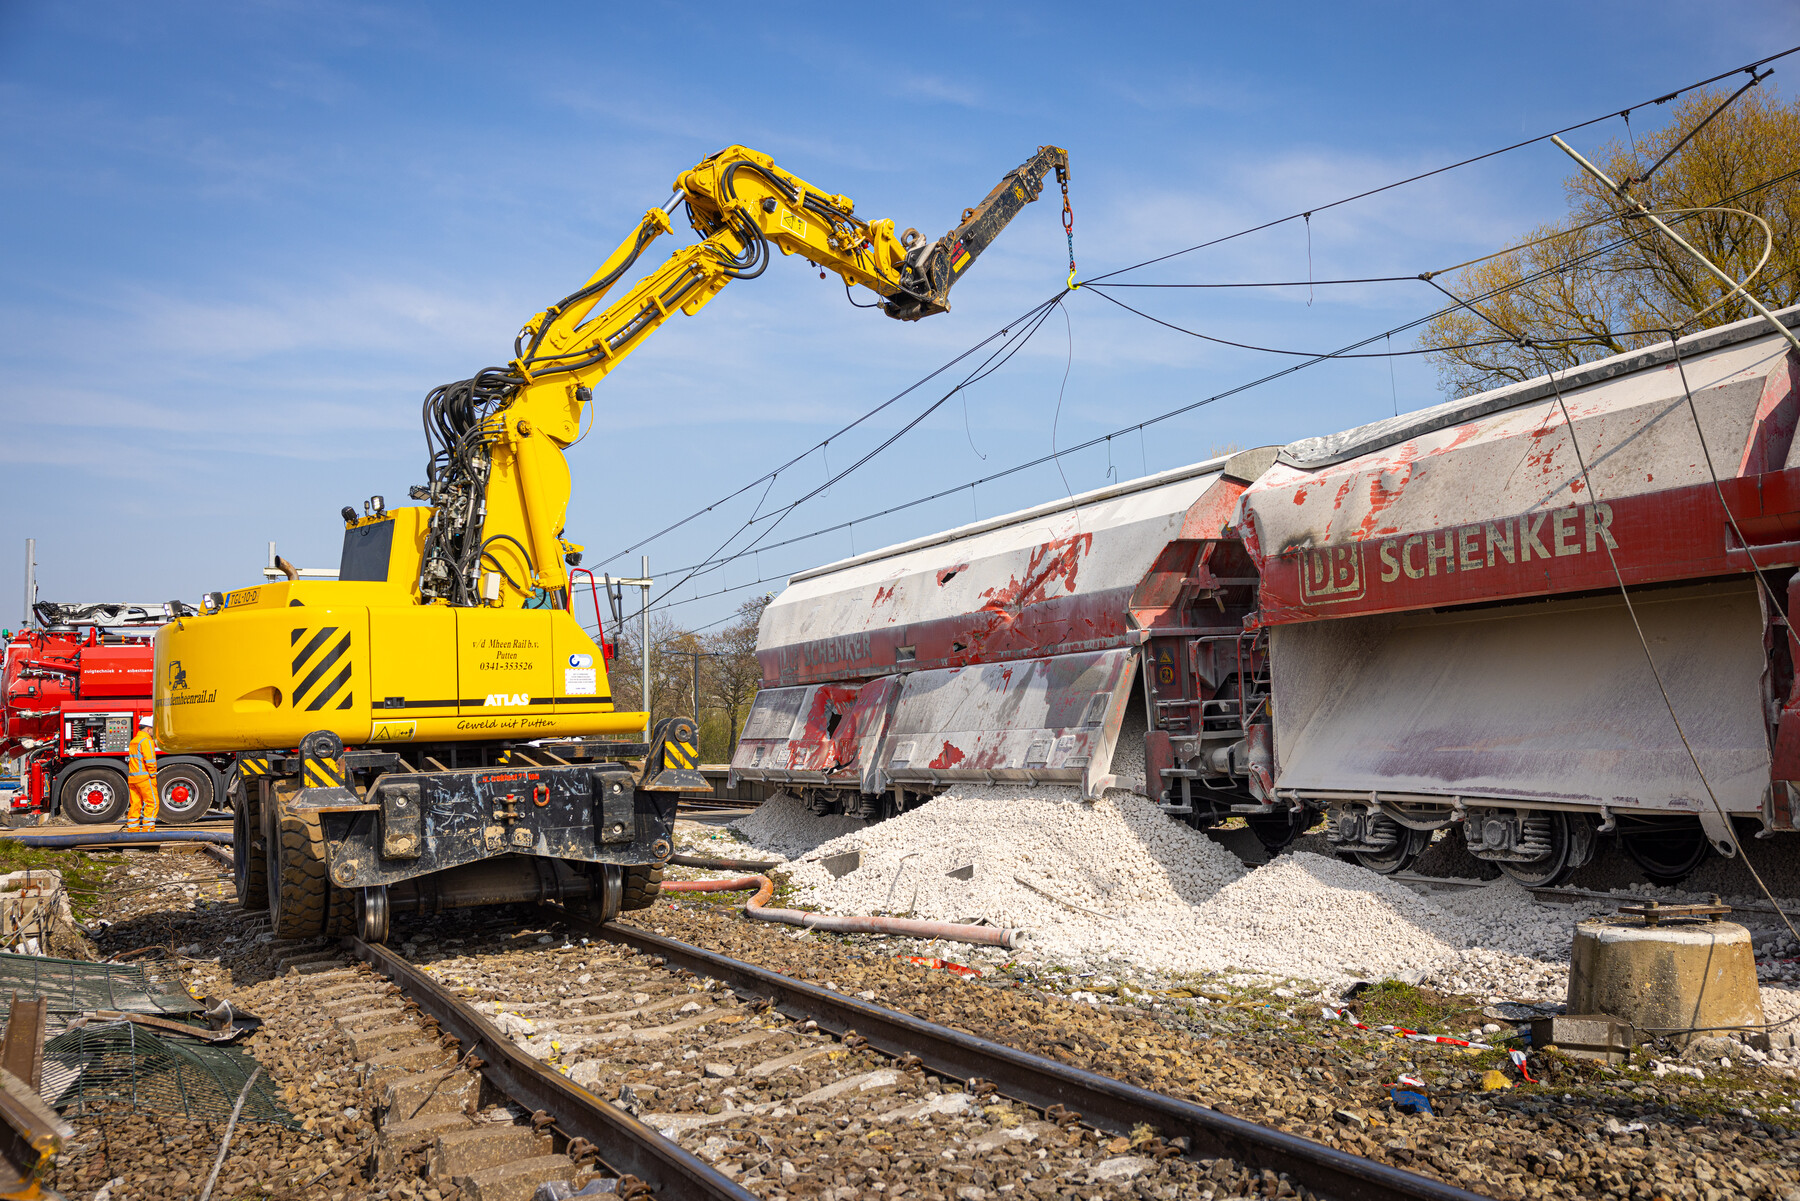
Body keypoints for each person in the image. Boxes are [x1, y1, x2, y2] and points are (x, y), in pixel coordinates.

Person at [125, 715, 158, 832]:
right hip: (144, 778)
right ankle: (148, 829)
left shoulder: (134, 741)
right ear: (148, 729)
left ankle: (132, 829)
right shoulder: (146, 741)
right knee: (152, 803)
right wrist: (153, 775)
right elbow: (150, 760)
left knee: (135, 803)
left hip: (133, 778)